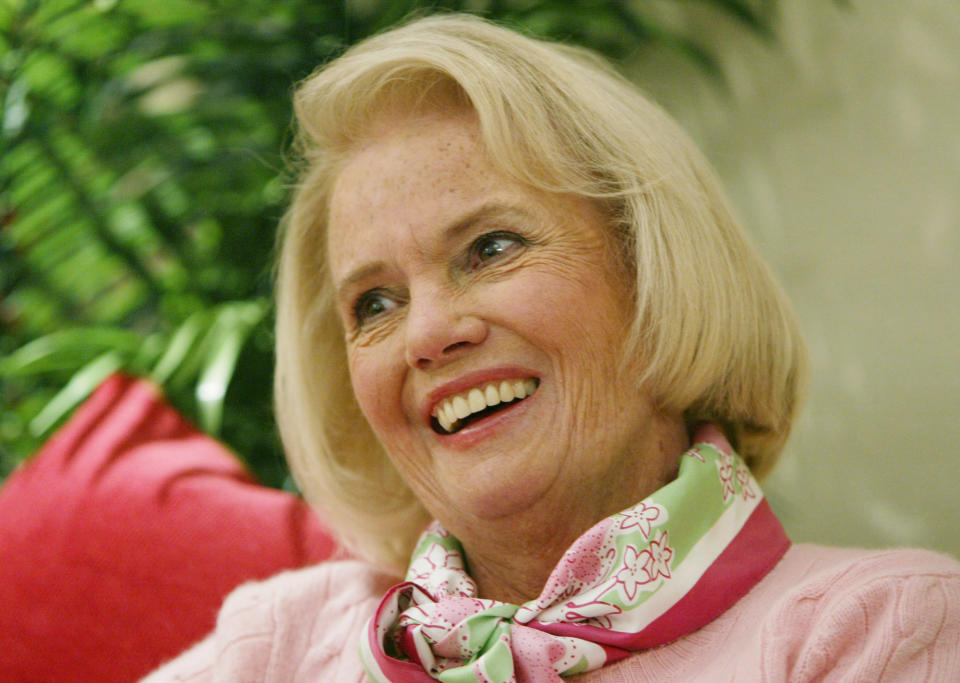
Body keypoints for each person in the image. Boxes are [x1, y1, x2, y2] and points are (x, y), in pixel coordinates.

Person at [144, 13, 960, 682]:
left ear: (651, 268)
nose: (428, 333)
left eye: (492, 248)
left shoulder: (877, 631)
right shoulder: (281, 643)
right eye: (376, 303)